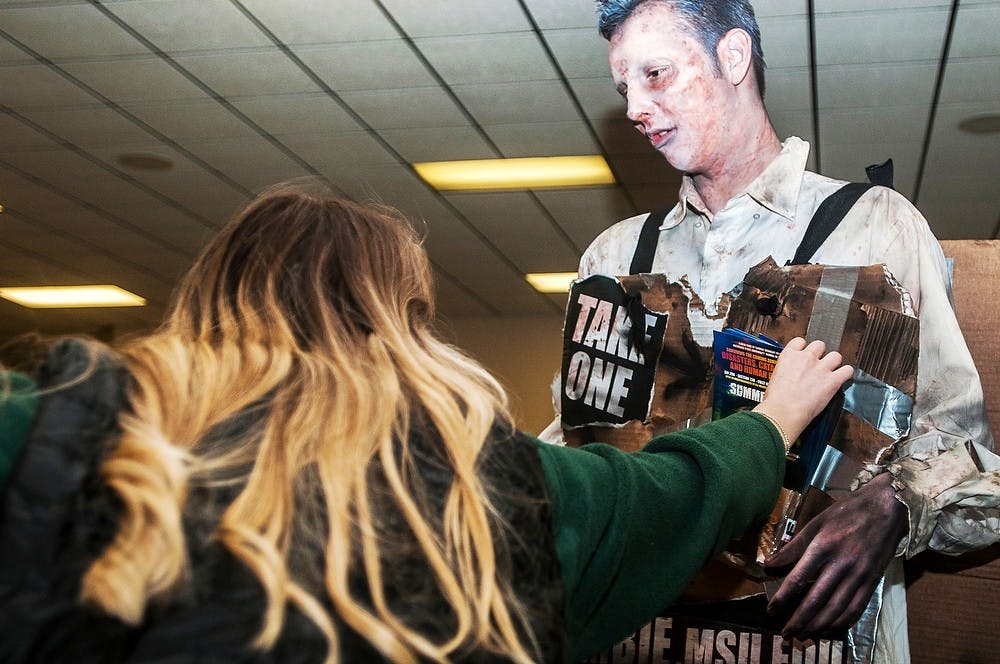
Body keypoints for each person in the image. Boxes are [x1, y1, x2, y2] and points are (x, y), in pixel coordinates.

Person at [0, 183, 852, 663]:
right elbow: (673, 492)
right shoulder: (486, 485)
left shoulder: (60, 431)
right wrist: (773, 419)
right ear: (398, 323)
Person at [559, 0, 997, 661]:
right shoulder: (614, 263)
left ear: (733, 56)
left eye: (655, 73)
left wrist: (898, 506)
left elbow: (975, 469)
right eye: (624, 86)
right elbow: (579, 462)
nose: (634, 107)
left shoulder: (873, 230)